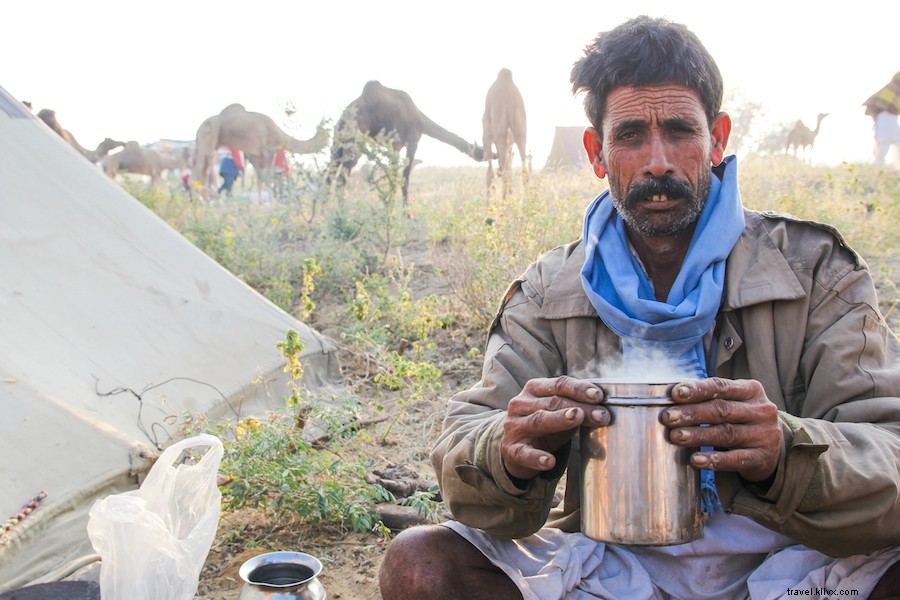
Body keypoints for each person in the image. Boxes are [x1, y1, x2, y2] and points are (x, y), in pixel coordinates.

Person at [378, 16, 900, 600]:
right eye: (630, 136)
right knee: (420, 565)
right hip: (612, 567)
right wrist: (508, 446)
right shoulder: (551, 289)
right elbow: (464, 442)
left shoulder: (814, 271)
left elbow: (891, 449)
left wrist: (786, 450)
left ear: (718, 138)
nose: (658, 162)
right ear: (596, 152)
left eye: (680, 130)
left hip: (791, 565)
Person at [863, 71, 900, 168]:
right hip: (885, 123)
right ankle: (879, 170)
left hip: (889, 122)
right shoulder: (891, 90)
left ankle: (890, 170)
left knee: (895, 145)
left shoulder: (894, 92)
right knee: (883, 147)